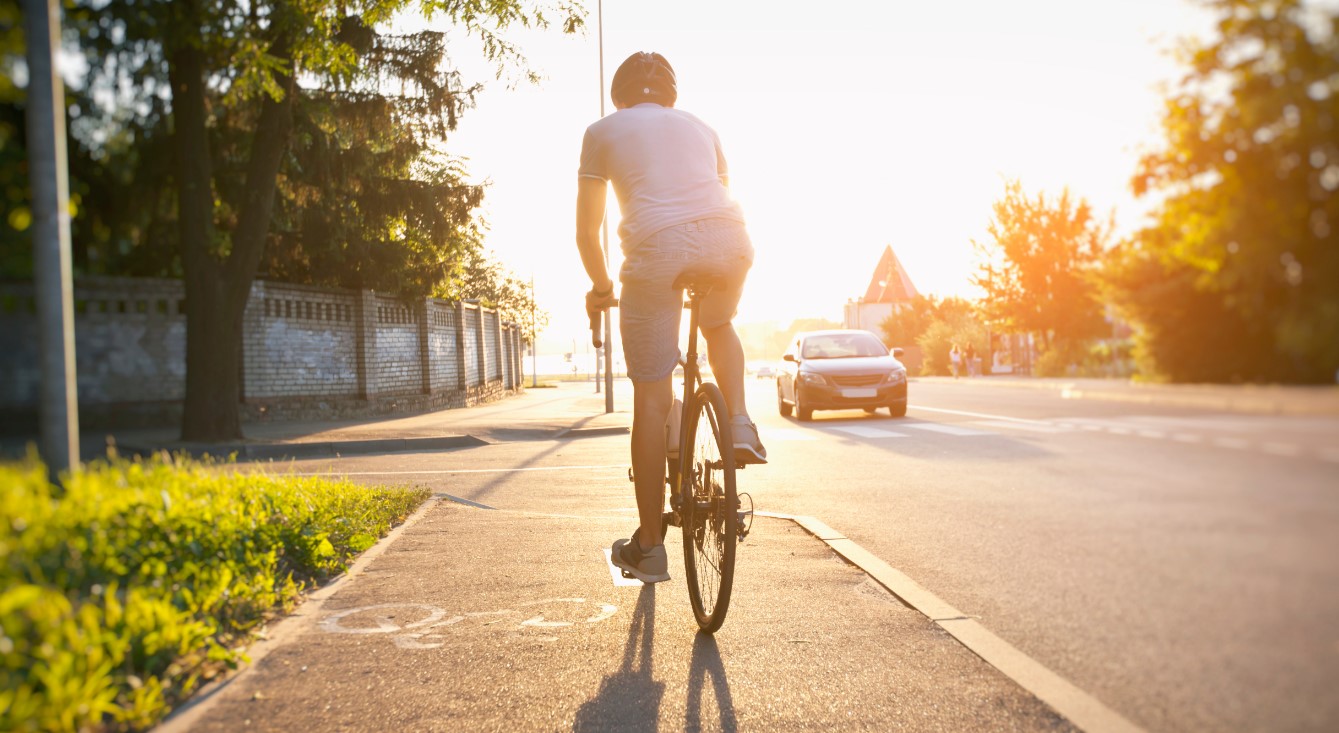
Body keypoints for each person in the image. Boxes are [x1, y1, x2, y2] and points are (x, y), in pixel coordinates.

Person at [576, 52, 766, 584]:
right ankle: (740, 423)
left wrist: (602, 287)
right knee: (718, 325)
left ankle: (651, 548)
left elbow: (587, 233)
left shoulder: (601, 130)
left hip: (655, 251)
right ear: (671, 96)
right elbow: (717, 194)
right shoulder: (702, 126)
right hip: (730, 239)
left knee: (653, 396)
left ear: (619, 95)